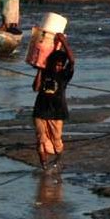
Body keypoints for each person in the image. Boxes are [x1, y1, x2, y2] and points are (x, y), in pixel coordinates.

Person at [32, 34, 75, 172]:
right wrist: (40, 69)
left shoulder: (64, 75)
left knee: (57, 140)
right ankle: (44, 166)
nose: (58, 67)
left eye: (60, 65)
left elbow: (72, 61)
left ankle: (58, 159)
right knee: (41, 139)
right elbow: (36, 88)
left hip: (57, 112)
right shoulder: (45, 72)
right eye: (56, 64)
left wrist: (64, 42)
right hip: (41, 110)